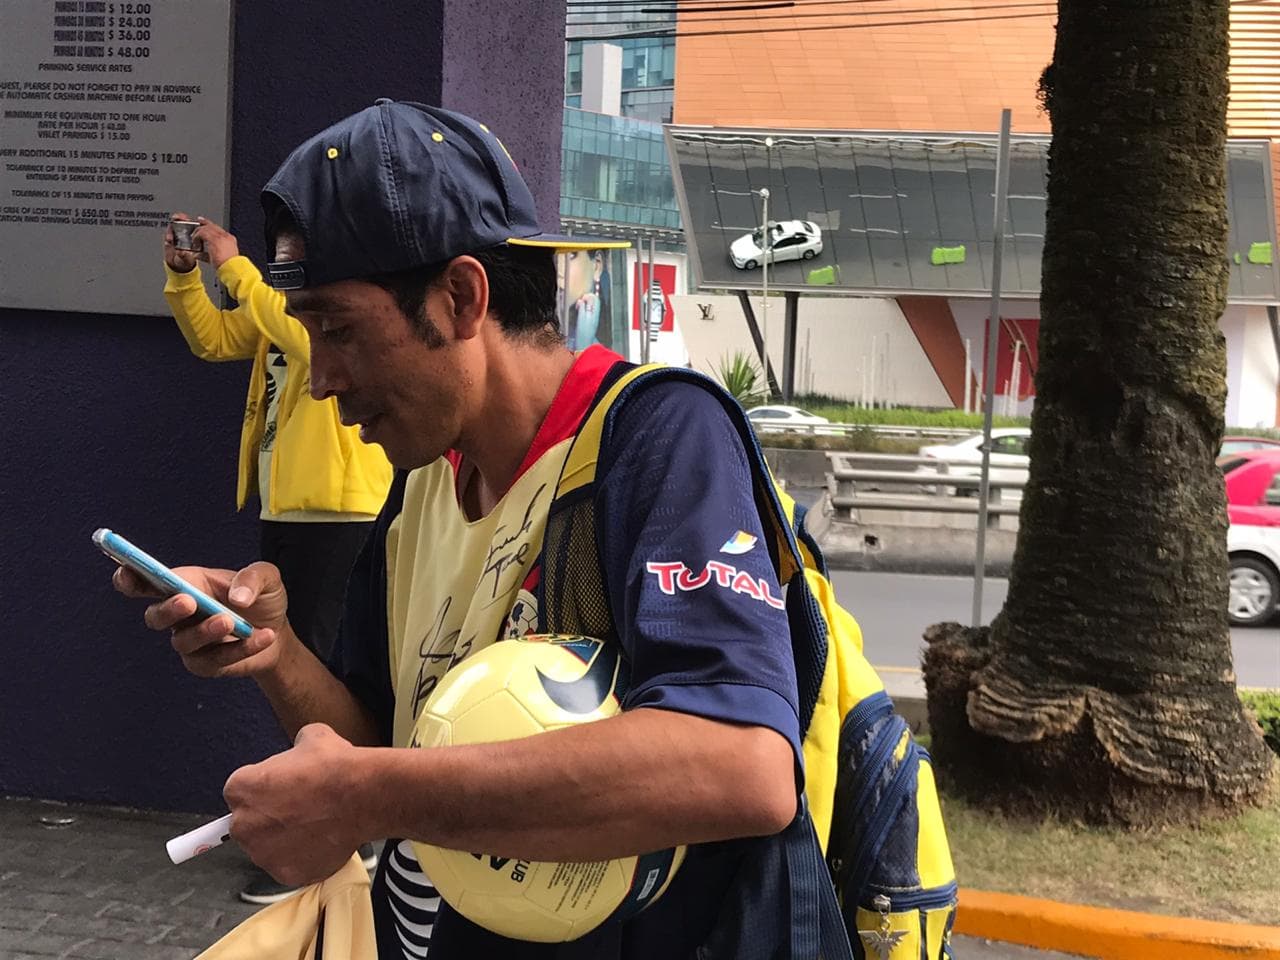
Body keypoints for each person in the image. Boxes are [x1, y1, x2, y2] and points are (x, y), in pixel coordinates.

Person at [123, 101, 802, 957]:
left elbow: (740, 765)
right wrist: (277, 648)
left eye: (338, 331)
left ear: (460, 297)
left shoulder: (652, 441)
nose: (322, 380)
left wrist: (372, 795)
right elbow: (385, 742)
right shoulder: (420, 491)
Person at [162, 213, 393, 904]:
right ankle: (335, 833)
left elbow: (291, 327)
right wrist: (185, 279)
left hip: (340, 505)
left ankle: (343, 839)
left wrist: (235, 267)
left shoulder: (321, 316)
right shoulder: (273, 305)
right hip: (286, 504)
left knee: (320, 669)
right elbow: (216, 338)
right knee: (292, 666)